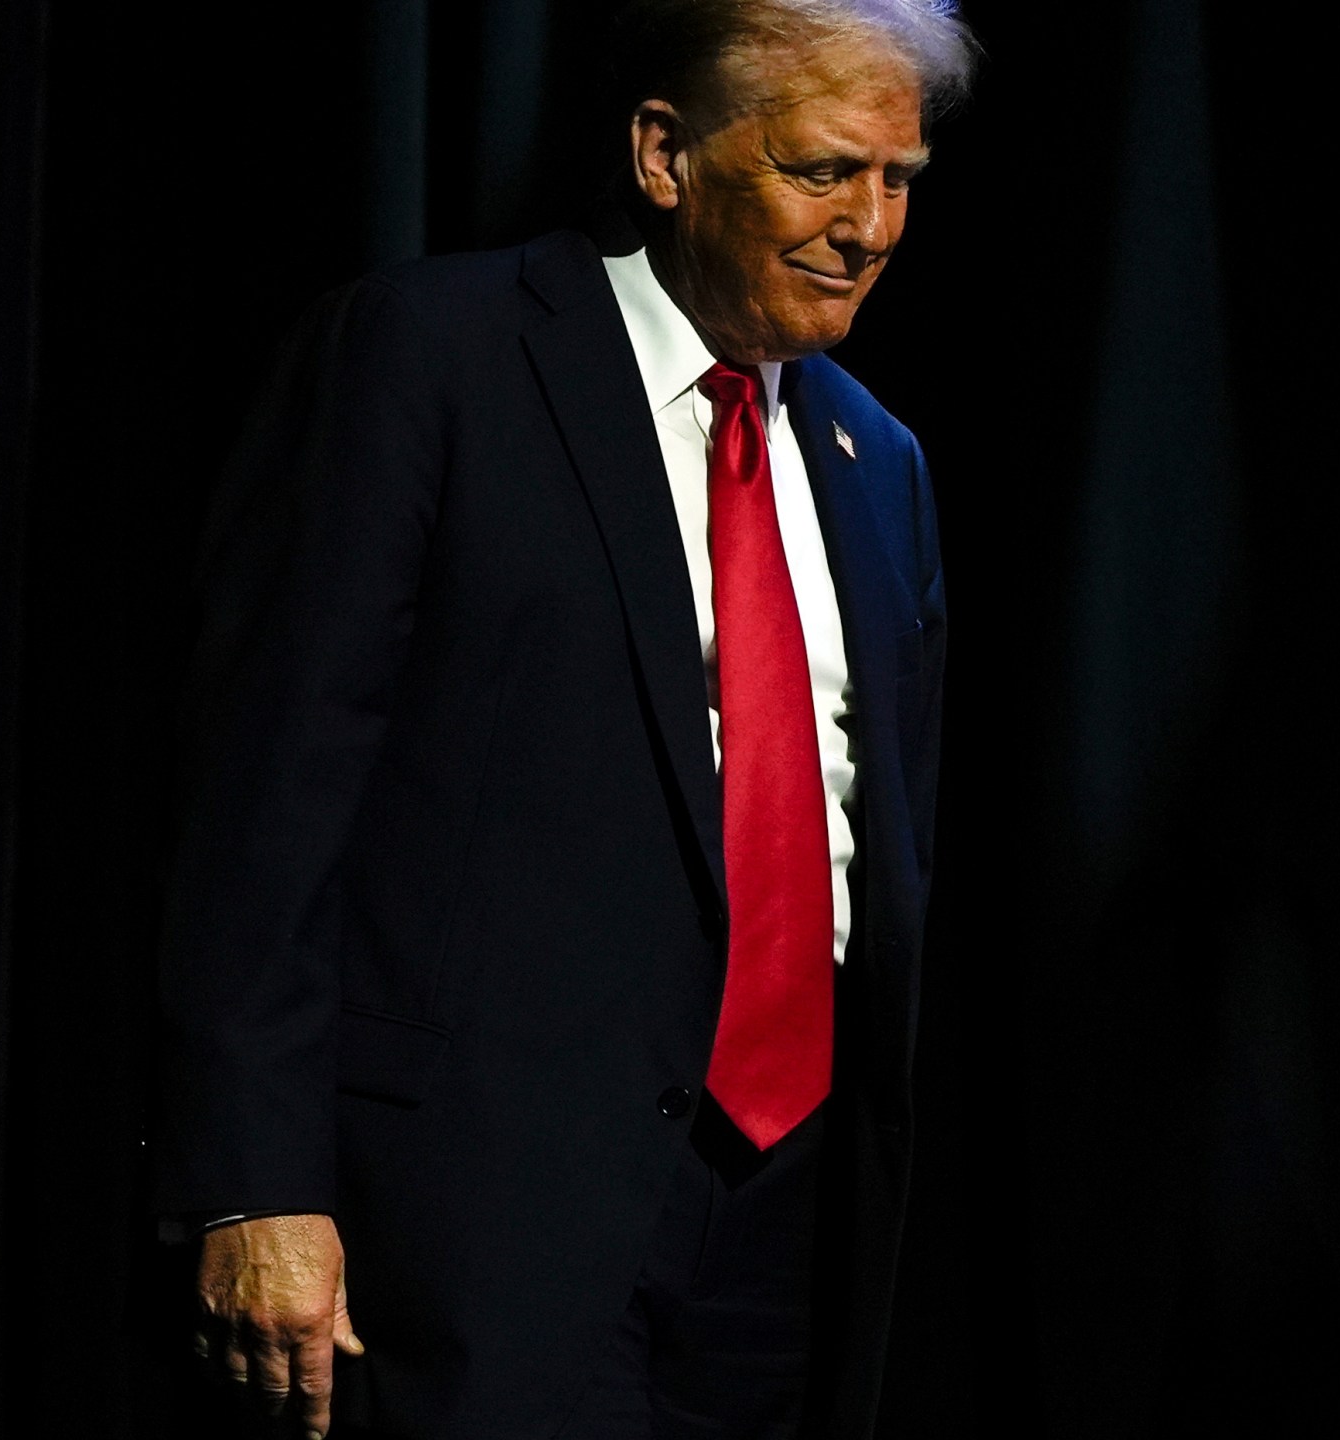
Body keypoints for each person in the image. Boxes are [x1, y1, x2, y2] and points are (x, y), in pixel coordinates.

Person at [155, 2, 971, 1434]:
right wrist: (253, 1174)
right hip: (480, 1225)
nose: (871, 225)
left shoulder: (876, 460)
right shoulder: (436, 358)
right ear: (666, 154)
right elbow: (268, 797)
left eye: (899, 178)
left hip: (786, 1230)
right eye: (823, 170)